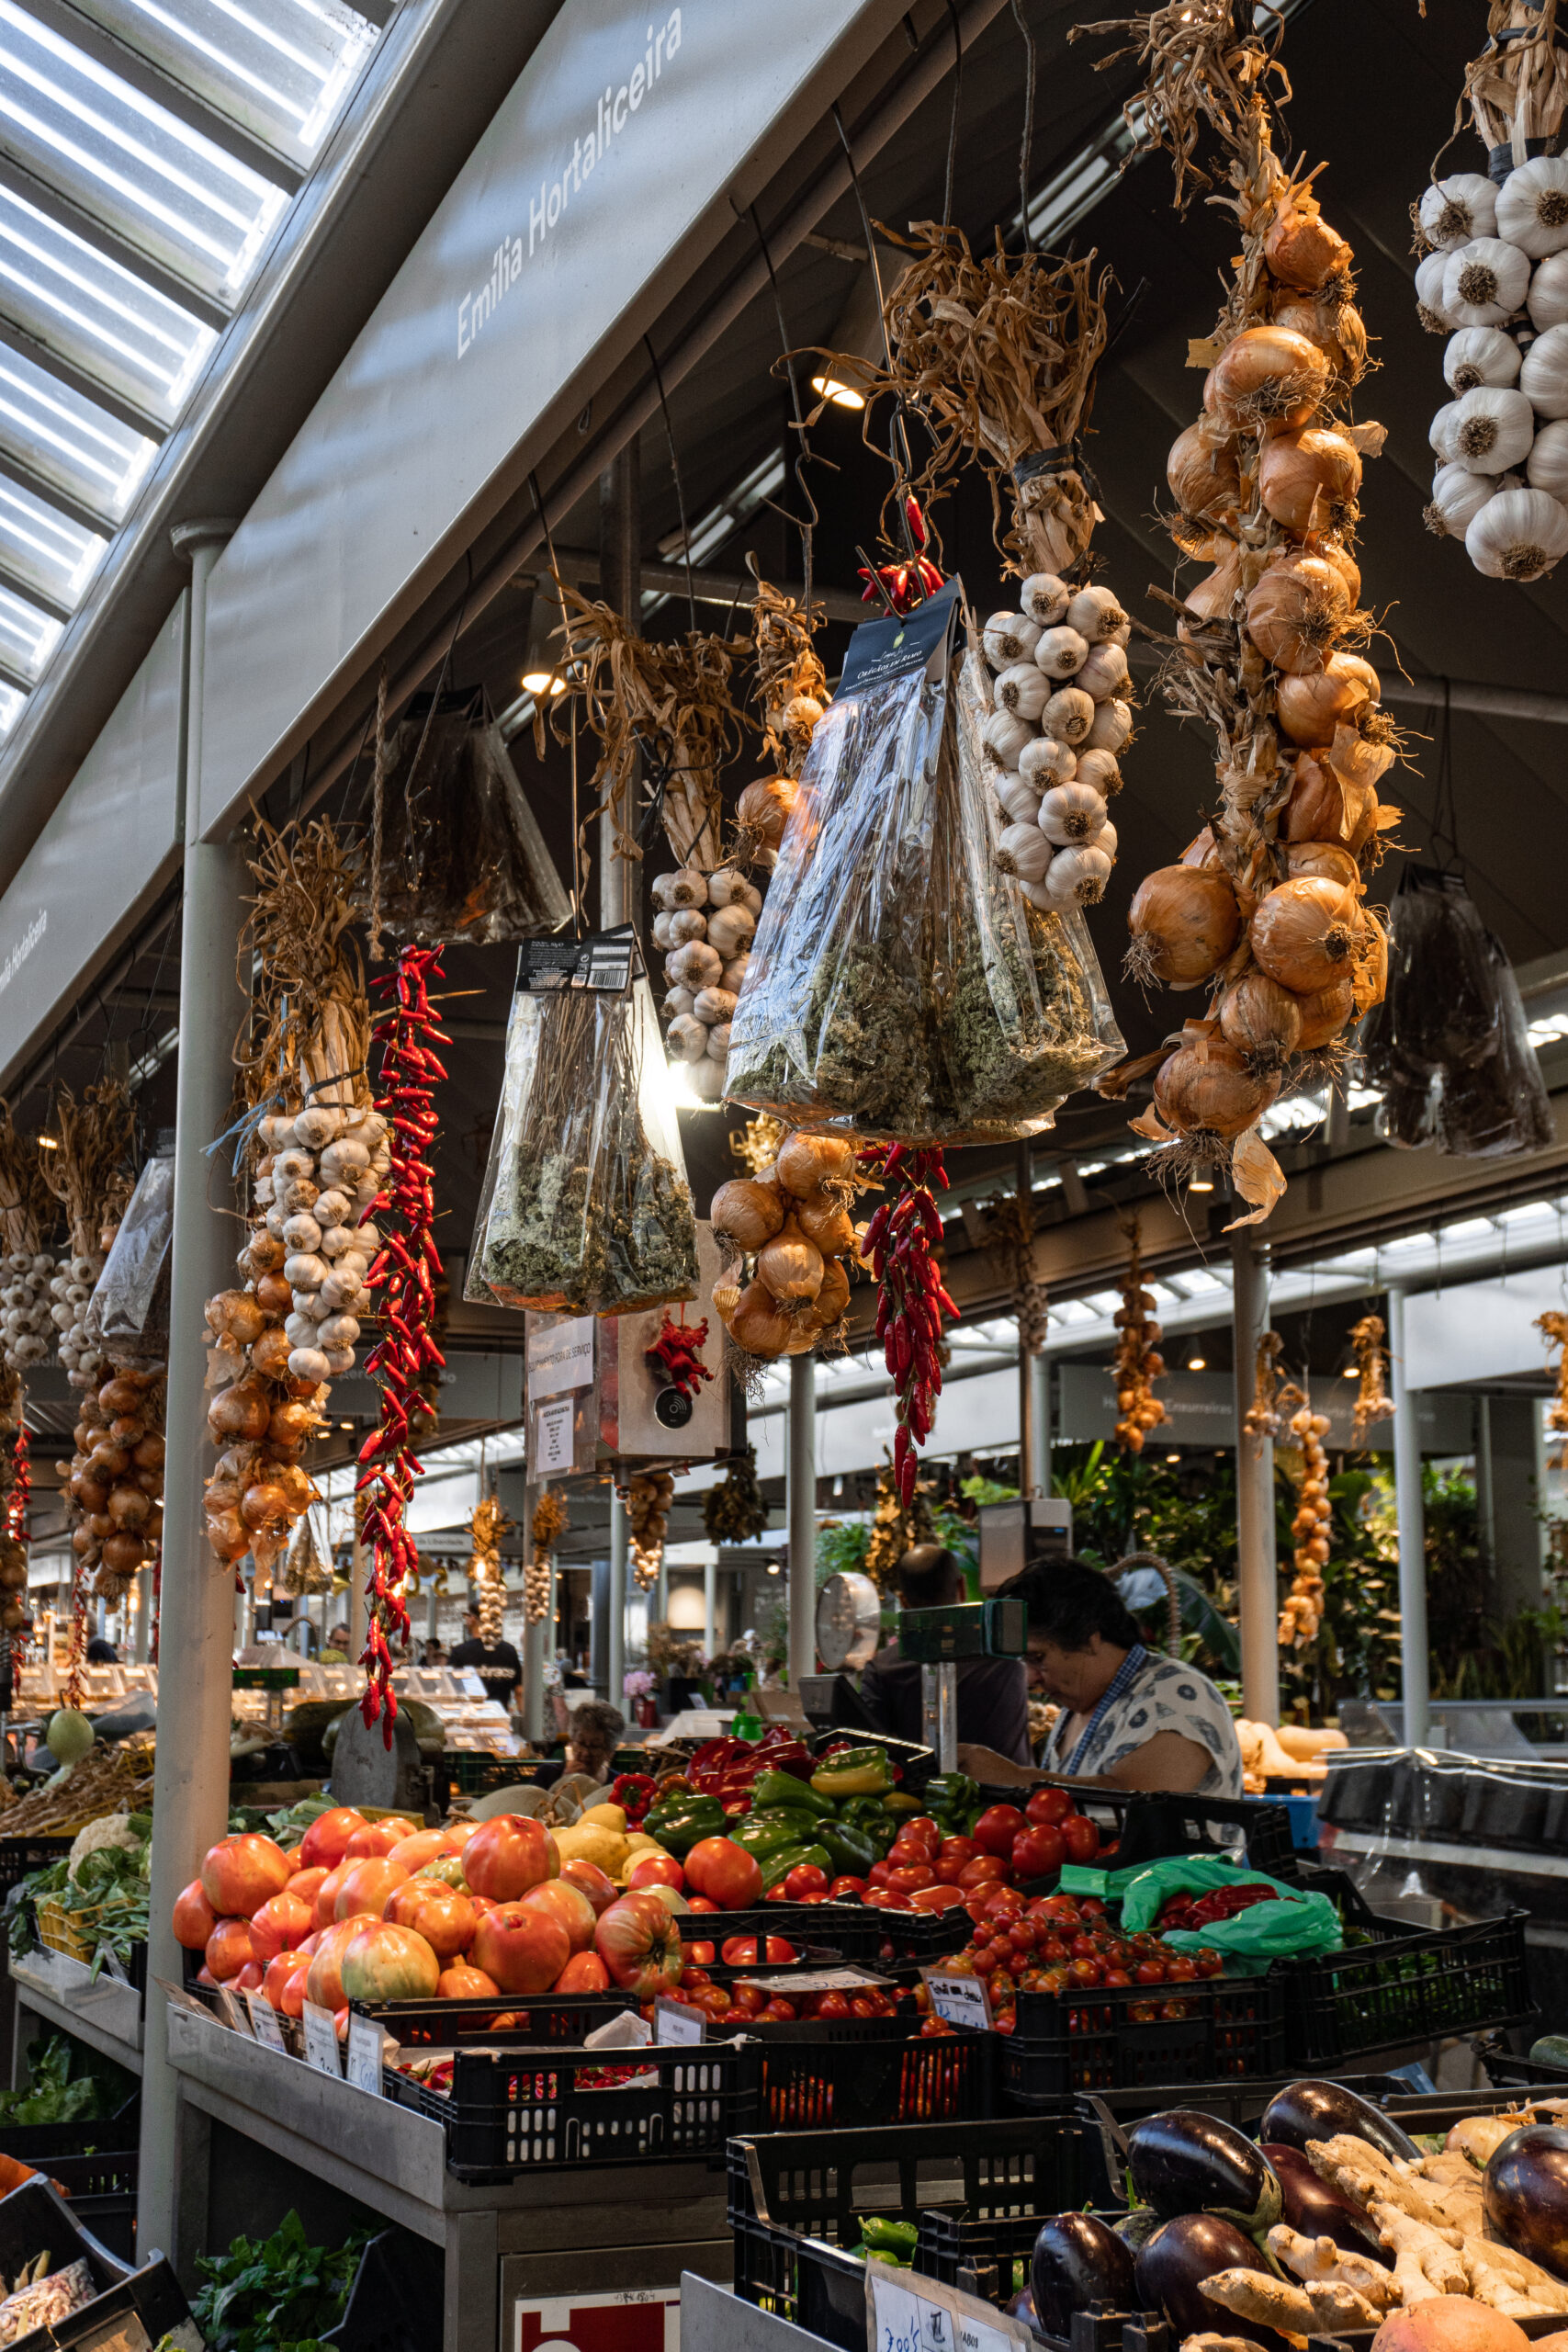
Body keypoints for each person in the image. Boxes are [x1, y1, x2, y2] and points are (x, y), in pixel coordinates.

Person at [957, 1556, 1244, 1797]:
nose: (1030, 1680)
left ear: (1090, 1638)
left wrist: (1013, 1777)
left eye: (1039, 1658)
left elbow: (1137, 1801)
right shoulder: (1079, 1708)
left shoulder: (1176, 1695)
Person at [857, 1544, 1030, 1766]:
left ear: (904, 1601)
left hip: (927, 1796)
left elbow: (872, 1749)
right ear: (962, 1587)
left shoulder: (883, 1668)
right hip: (1011, 1796)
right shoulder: (1005, 1654)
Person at [448, 1609, 523, 1712]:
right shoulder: (510, 1651)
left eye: (467, 1617)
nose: (466, 1621)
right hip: (500, 1719)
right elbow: (519, 1691)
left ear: (473, 1618)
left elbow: (450, 1689)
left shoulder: (459, 1652)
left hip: (470, 1719)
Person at [563, 1699, 625, 1781]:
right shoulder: (548, 1774)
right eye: (581, 1743)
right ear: (571, 1742)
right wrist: (564, 1780)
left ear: (610, 1753)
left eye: (595, 1746)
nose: (585, 1753)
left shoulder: (619, 1784)